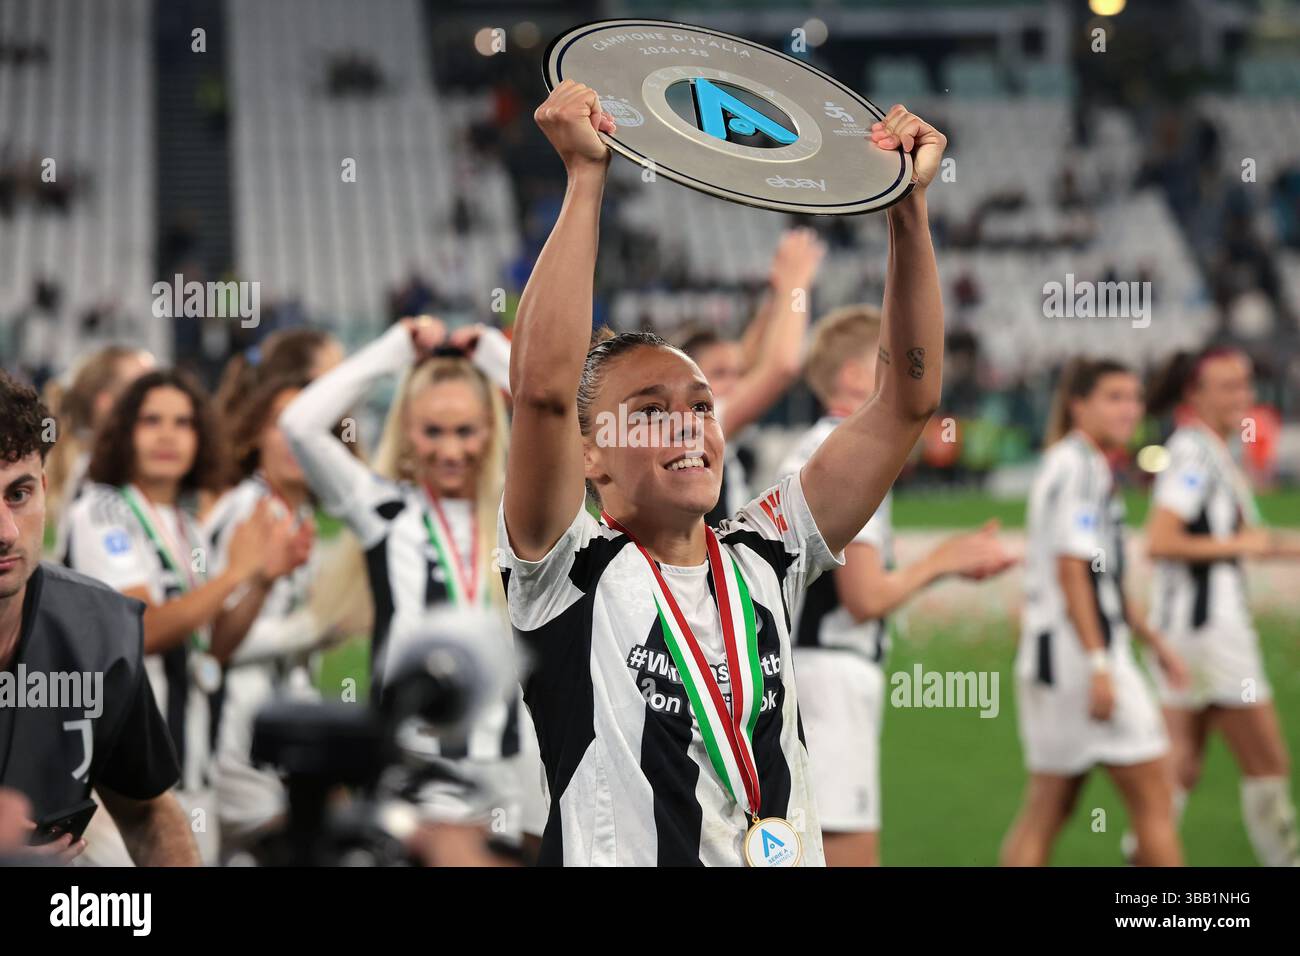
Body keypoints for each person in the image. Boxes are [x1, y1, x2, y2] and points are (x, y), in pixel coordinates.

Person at [498, 81, 947, 866]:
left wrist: (905, 209)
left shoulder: (765, 550)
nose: (690, 426)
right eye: (649, 409)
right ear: (589, 453)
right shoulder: (565, 572)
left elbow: (907, 401)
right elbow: (540, 394)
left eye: (701, 405)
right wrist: (585, 179)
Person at [279, 318, 542, 854]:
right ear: (406, 430)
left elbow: (578, 431)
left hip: (512, 769)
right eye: (433, 431)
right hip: (410, 763)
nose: (450, 450)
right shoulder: (382, 510)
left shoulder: (523, 514)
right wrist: (396, 349)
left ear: (492, 428)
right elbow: (300, 425)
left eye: (466, 430)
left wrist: (494, 354)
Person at [777, 304, 1015, 866]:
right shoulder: (853, 453)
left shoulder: (813, 445)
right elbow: (864, 599)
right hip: (832, 675)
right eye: (894, 360)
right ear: (856, 376)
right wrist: (944, 561)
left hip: (800, 670)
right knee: (849, 853)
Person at [64, 369, 307, 864]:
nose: (168, 434)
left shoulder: (186, 528)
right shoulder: (102, 511)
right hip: (119, 787)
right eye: (151, 420)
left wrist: (259, 580)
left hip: (190, 769)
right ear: (124, 432)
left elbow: (212, 648)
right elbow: (141, 629)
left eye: (184, 422)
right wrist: (234, 573)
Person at [0, 371, 198, 866]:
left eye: (18, 494)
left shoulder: (99, 630)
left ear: (45, 488)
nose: (4, 531)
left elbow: (148, 813)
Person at [1001, 358, 1187, 867]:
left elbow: (1098, 576)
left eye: (1134, 397)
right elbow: (1072, 568)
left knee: (1048, 807)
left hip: (1057, 658)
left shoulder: (1077, 463)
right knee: (1155, 797)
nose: (1130, 409)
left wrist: (1154, 642)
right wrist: (1101, 666)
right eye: (1114, 397)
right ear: (1078, 405)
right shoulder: (1078, 465)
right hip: (1081, 658)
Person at [1143, 346, 1300, 866]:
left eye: (1246, 385)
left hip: (1188, 633)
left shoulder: (1210, 450)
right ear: (1195, 393)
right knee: (1269, 764)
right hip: (1212, 633)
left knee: (1180, 767)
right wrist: (1240, 546)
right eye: (1228, 387)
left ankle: (1140, 863)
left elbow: (1246, 537)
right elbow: (1160, 540)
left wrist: (1275, 544)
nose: (1244, 397)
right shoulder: (1193, 456)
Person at [204, 372, 349, 854]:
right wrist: (316, 627)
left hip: (283, 731)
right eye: (277, 425)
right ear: (253, 436)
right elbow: (210, 642)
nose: (293, 441)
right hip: (232, 739)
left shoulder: (301, 515)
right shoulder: (242, 511)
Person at [678, 228, 825, 525]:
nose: (736, 382)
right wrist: (797, 283)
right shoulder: (699, 421)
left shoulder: (687, 426)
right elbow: (781, 366)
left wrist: (776, 291)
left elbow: (748, 355)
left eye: (737, 374)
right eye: (720, 374)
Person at [42, 345, 156, 556]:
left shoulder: (123, 477)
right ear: (107, 404)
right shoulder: (98, 487)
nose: (163, 395)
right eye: (146, 389)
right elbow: (126, 589)